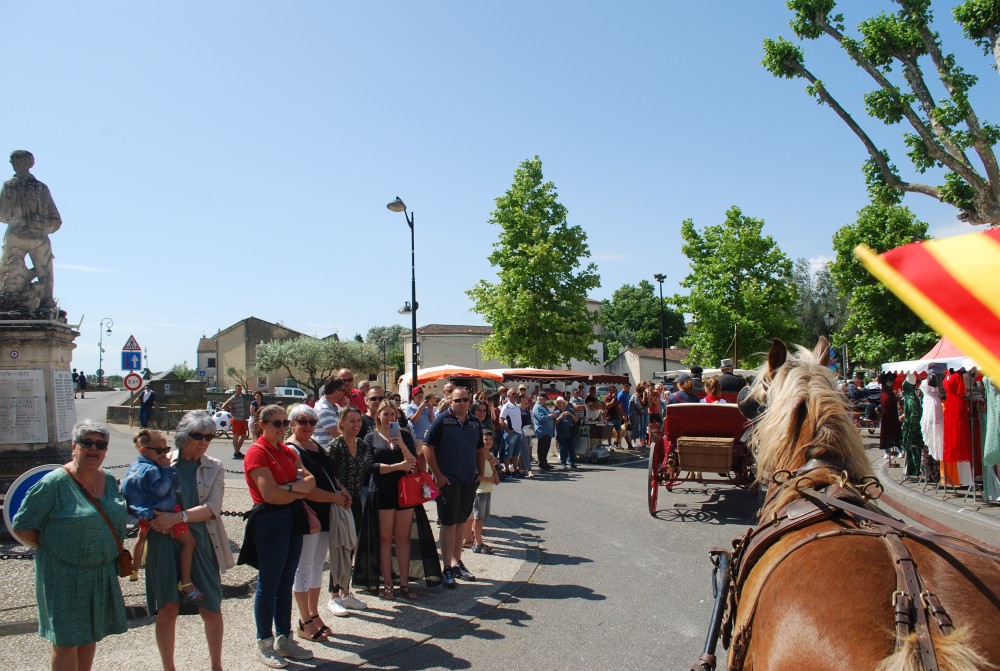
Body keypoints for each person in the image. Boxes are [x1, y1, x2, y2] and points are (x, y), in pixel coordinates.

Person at [12, 420, 127, 671]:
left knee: (90, 635)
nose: (93, 449)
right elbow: (22, 526)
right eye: (86, 443)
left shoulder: (107, 480)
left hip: (100, 571)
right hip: (63, 575)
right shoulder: (53, 484)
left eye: (100, 444)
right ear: (74, 446)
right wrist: (54, 547)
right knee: (65, 642)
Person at [146, 410, 234, 671]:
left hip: (201, 541)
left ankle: (216, 666)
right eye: (198, 435)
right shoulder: (160, 462)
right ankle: (168, 668)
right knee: (167, 610)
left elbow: (213, 508)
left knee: (210, 608)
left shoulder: (215, 466)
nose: (204, 441)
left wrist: (178, 518)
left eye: (209, 436)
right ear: (184, 435)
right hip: (163, 540)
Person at [241, 404, 316, 667]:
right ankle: (264, 641)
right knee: (269, 584)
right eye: (277, 423)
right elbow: (269, 495)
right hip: (270, 520)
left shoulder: (285, 450)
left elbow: (310, 482)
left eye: (285, 423)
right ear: (262, 424)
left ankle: (285, 639)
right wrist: (295, 488)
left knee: (285, 583)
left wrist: (288, 488)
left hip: (291, 517)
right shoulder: (256, 452)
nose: (283, 428)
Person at [284, 404, 358, 638]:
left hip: (326, 512)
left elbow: (328, 474)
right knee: (303, 568)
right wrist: (334, 497)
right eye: (302, 421)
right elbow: (306, 489)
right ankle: (304, 619)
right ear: (292, 423)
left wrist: (340, 489)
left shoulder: (315, 444)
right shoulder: (291, 450)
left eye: (312, 422)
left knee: (317, 566)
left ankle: (313, 614)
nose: (307, 426)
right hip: (308, 514)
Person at [355, 401, 440, 599]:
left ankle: (404, 582)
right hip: (382, 491)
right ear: (378, 416)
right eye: (385, 414)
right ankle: (387, 584)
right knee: (385, 539)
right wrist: (396, 467)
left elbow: (412, 463)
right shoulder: (370, 437)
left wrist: (401, 444)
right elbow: (370, 466)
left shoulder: (405, 434)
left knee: (403, 538)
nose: (389, 418)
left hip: (404, 493)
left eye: (393, 414)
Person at [121, 429, 203, 600]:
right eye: (159, 451)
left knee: (141, 537)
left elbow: (126, 490)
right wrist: (167, 470)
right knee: (189, 543)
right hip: (165, 512)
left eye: (166, 449)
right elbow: (161, 489)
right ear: (144, 450)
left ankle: (134, 568)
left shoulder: (134, 467)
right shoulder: (153, 470)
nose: (164, 454)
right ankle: (186, 582)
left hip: (146, 514)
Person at [423, 386, 488, 589]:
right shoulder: (442, 420)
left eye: (465, 400)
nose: (462, 403)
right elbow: (427, 447)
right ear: (450, 401)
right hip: (448, 481)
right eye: (457, 400)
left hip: (468, 480)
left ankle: (456, 562)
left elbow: (480, 449)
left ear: (470, 401)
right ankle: (447, 567)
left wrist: (479, 473)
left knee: (461, 522)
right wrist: (438, 475)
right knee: (449, 523)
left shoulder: (475, 423)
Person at [0, 150, 62, 309]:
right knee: (45, 273)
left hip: (16, 233)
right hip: (39, 237)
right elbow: (56, 221)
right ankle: (46, 302)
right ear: (31, 164)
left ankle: (6, 301)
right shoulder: (41, 188)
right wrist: (41, 225)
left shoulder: (9, 185)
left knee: (6, 272)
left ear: (13, 164)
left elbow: (2, 214)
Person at [464, 431, 501, 553]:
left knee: (476, 517)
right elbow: (476, 476)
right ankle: (478, 542)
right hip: (479, 490)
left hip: (486, 489)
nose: (488, 441)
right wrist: (489, 479)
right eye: (486, 439)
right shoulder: (478, 454)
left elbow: (493, 469)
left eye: (490, 439)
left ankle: (472, 540)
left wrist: (495, 477)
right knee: (478, 518)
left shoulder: (489, 454)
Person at [314, 376, 347, 448]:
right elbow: (336, 433)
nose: (344, 394)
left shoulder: (336, 406)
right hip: (325, 453)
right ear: (336, 392)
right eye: (343, 390)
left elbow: (345, 422)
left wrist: (346, 408)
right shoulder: (324, 409)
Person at [221, 384, 249, 459]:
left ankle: (237, 451)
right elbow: (223, 406)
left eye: (240, 389)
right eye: (238, 389)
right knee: (236, 436)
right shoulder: (232, 398)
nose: (240, 391)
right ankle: (237, 453)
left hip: (242, 418)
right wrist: (231, 409)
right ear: (235, 390)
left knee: (243, 436)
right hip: (236, 419)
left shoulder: (241, 397)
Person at [499, 390, 523, 476]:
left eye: (516, 394)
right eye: (513, 394)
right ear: (508, 396)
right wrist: (508, 430)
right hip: (511, 433)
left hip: (518, 432)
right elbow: (501, 419)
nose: (515, 395)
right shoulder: (506, 406)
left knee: (516, 453)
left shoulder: (516, 406)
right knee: (508, 452)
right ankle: (507, 470)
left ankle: (515, 469)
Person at [554, 397, 579, 469]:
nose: (558, 404)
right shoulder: (556, 412)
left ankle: (572, 463)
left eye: (560, 402)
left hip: (570, 432)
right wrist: (561, 417)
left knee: (571, 448)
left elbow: (576, 420)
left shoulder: (570, 410)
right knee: (562, 448)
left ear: (563, 403)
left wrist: (570, 415)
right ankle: (563, 463)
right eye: (557, 403)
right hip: (561, 432)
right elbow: (555, 422)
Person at [532, 395, 555, 470]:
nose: (545, 401)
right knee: (542, 447)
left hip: (547, 431)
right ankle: (542, 463)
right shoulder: (538, 407)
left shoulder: (542, 406)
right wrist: (551, 416)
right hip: (542, 430)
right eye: (544, 399)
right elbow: (541, 418)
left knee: (546, 447)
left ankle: (544, 462)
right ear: (540, 398)